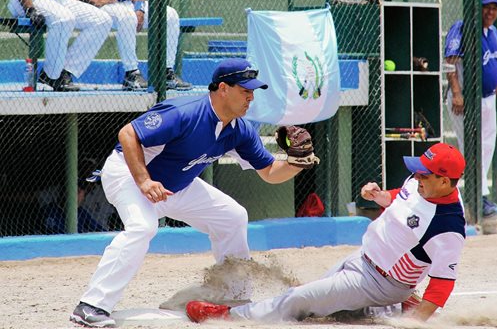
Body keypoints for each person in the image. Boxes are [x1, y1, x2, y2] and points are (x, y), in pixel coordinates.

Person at [70, 58, 317, 327]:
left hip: (176, 186)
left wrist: (295, 163)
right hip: (128, 175)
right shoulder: (185, 112)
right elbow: (128, 134)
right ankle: (91, 305)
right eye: (245, 90)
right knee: (142, 227)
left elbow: (269, 172)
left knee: (233, 216)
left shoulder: (240, 130)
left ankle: (235, 297)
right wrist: (143, 181)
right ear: (223, 88)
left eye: (253, 92)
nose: (251, 97)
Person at [185, 142, 467, 325]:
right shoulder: (421, 184)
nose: (416, 176)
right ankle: (393, 308)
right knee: (321, 308)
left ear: (444, 181)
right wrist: (380, 195)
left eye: (424, 174)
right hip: (361, 258)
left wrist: (415, 322)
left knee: (299, 299)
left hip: (380, 284)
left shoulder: (448, 227)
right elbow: (401, 198)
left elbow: (442, 284)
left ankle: (226, 316)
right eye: (417, 171)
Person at [444, 0, 497, 217]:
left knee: (486, 147)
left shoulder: (492, 33)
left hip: (489, 98)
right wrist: (457, 92)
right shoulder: (462, 28)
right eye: (487, 7)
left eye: (494, 8)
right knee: (471, 148)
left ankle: (478, 196)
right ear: (477, 7)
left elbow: (496, 67)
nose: (491, 12)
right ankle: (474, 198)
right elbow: (450, 62)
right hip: (465, 101)